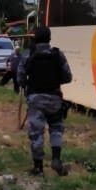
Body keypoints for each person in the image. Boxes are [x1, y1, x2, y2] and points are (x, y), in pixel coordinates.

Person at [17, 25, 73, 176]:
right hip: (55, 98)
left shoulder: (28, 54)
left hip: (36, 99)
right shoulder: (57, 54)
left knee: (37, 133)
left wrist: (27, 83)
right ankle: (56, 159)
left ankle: (38, 168)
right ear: (49, 38)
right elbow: (68, 77)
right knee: (56, 129)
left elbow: (20, 78)